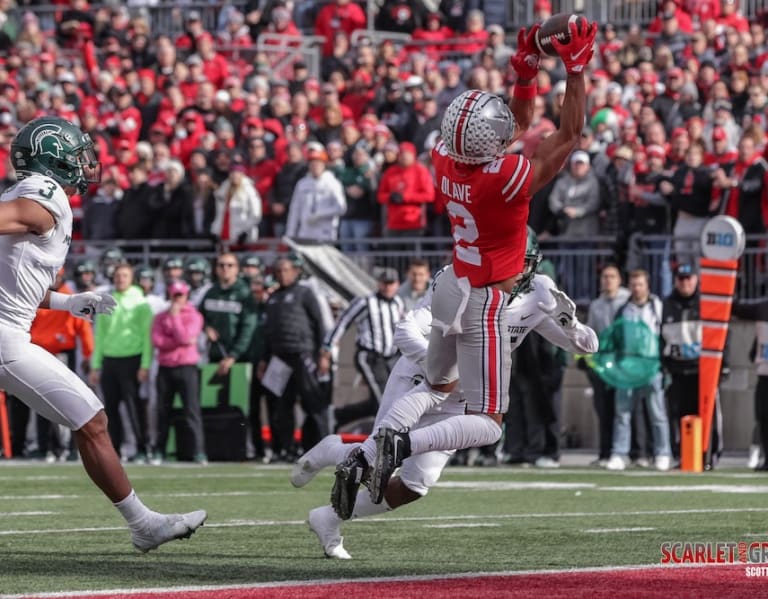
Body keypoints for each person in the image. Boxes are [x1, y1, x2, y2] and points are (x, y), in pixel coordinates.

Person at [359, 18, 597, 504]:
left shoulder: (442, 157)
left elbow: (516, 126)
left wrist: (527, 69)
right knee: (488, 423)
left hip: (452, 285)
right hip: (485, 299)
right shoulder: (502, 179)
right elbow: (570, 133)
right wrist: (574, 69)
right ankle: (402, 441)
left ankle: (369, 448)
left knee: (437, 383)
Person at [293, 240, 597, 552]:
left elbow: (586, 346)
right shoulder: (461, 281)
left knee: (415, 484)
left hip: (466, 392)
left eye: (523, 263)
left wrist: (571, 325)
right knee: (375, 463)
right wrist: (440, 370)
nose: (517, 273)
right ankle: (333, 450)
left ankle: (328, 516)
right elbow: (406, 330)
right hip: (420, 379)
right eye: (511, 262)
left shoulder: (539, 293)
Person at [1, 116, 205, 551]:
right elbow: (17, 221)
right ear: (53, 159)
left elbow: (16, 285)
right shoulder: (46, 192)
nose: (85, 164)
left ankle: (143, 524)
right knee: (91, 421)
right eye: (76, 156)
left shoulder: (32, 195)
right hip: (5, 337)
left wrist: (67, 303)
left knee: (90, 421)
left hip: (9, 328)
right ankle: (143, 525)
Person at [257, 256, 329, 461]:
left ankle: (325, 447)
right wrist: (264, 359)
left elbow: (320, 324)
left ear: (295, 271)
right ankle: (286, 450)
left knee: (313, 402)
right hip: (279, 357)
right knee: (282, 406)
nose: (282, 274)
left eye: (286, 270)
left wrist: (323, 354)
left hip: (303, 354)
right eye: (278, 271)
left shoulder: (305, 293)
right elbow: (268, 332)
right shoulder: (273, 297)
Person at [319, 267, 405, 430]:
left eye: (391, 283)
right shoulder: (365, 302)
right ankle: (385, 442)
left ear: (397, 285)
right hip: (369, 356)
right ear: (378, 284)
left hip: (391, 358)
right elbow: (344, 321)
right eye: (384, 283)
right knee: (385, 400)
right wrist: (327, 347)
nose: (387, 287)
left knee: (384, 400)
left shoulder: (398, 303)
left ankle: (338, 416)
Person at [605, 270, 672, 471]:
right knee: (622, 412)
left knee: (657, 413)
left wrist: (664, 364)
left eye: (640, 284)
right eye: (633, 284)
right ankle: (619, 453)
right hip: (628, 366)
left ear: (647, 285)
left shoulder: (657, 307)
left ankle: (663, 453)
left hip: (651, 365)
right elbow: (616, 337)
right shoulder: (624, 309)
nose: (636, 288)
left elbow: (665, 335)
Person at [90, 263, 155, 464]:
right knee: (110, 408)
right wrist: (96, 365)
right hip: (110, 359)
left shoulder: (140, 302)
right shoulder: (107, 301)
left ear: (132, 278)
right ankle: (114, 450)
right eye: (118, 275)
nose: (120, 279)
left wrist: (145, 364)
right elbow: (99, 335)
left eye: (125, 275)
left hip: (131, 358)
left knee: (134, 406)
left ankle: (143, 448)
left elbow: (147, 336)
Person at [661, 262, 723, 468]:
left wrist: (724, 365)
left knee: (707, 413)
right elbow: (660, 338)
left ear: (696, 280)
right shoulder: (667, 304)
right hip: (677, 369)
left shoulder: (706, 303)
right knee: (678, 415)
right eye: (681, 279)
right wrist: (664, 365)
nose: (685, 283)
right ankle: (683, 456)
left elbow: (721, 334)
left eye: (689, 279)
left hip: (702, 370)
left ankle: (708, 455)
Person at [151, 279, 206, 465]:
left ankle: (198, 451)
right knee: (162, 411)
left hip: (186, 367)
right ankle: (159, 450)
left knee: (191, 410)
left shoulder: (194, 315)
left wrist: (174, 319)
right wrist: (178, 341)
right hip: (166, 367)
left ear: (186, 296)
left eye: (180, 295)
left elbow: (186, 337)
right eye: (174, 295)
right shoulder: (160, 317)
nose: (176, 299)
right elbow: (158, 341)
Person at [584, 264, 631, 466]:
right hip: (604, 362)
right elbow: (592, 333)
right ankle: (604, 453)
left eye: (612, 276)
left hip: (624, 360)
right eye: (604, 276)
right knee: (603, 409)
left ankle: (628, 452)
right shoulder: (596, 305)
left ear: (620, 280)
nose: (608, 280)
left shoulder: (628, 301)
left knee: (624, 410)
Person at [199, 251, 257, 408]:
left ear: (237, 269)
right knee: (214, 406)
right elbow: (198, 316)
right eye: (221, 265)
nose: (225, 269)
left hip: (238, 359)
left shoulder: (244, 293)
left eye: (230, 265)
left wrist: (233, 356)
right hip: (215, 357)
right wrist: (206, 328)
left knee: (240, 407)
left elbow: (248, 328)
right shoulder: (211, 292)